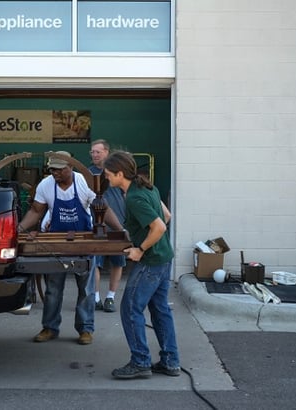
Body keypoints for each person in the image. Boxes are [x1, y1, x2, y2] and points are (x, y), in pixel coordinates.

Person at [18, 151, 123, 345]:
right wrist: (19, 230)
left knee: (86, 290)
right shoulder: (46, 185)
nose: (55, 173)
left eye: (60, 170)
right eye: (52, 170)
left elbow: (103, 208)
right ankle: (50, 327)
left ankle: (85, 329)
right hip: (57, 242)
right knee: (53, 289)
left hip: (82, 242)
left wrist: (119, 229)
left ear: (71, 168)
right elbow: (35, 211)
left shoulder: (84, 183)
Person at [103, 150, 180, 379]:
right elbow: (166, 215)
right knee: (160, 310)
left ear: (119, 173)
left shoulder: (134, 197)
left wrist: (141, 248)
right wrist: (142, 235)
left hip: (150, 262)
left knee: (129, 308)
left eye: (108, 174)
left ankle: (140, 362)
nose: (106, 178)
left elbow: (160, 227)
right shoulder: (148, 188)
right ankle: (170, 361)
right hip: (164, 258)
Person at [88, 139, 126, 313]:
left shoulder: (118, 173)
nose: (95, 155)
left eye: (98, 152)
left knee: (118, 262)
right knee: (95, 262)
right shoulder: (87, 174)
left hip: (118, 223)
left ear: (107, 152)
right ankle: (95, 298)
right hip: (96, 225)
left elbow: (127, 194)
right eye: (92, 152)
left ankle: (110, 297)